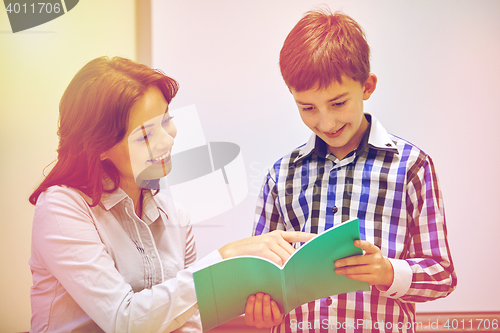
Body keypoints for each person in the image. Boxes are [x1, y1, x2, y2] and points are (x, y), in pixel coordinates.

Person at [28, 56, 314, 333]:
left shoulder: (174, 215)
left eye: (166, 120)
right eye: (145, 136)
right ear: (99, 147)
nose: (167, 140)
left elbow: (188, 322)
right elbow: (124, 322)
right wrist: (225, 257)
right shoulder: (61, 207)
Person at [251, 8, 457, 332]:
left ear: (367, 86)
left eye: (338, 103)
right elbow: (260, 274)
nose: (326, 122)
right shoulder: (280, 176)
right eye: (307, 108)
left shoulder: (412, 167)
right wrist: (262, 304)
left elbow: (442, 274)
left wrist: (388, 272)